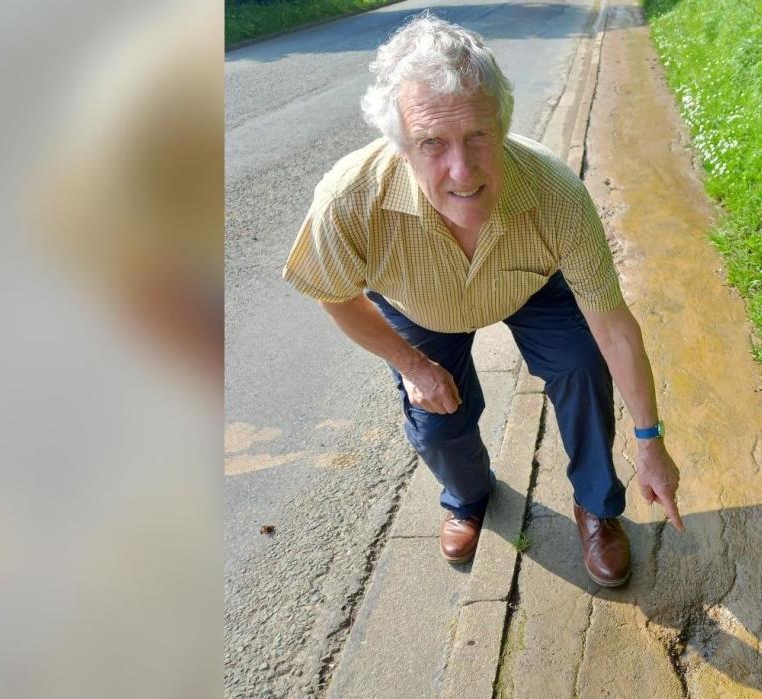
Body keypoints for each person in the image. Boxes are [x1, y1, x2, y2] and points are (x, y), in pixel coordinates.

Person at [282, 12, 682, 587]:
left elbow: (614, 327)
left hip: (529, 284)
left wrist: (651, 442)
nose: (462, 170)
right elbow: (334, 296)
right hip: (419, 304)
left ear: (502, 124)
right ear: (399, 146)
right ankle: (467, 497)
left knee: (582, 364)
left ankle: (597, 504)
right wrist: (413, 366)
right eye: (432, 144)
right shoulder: (348, 201)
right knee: (438, 420)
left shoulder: (555, 193)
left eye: (478, 136)